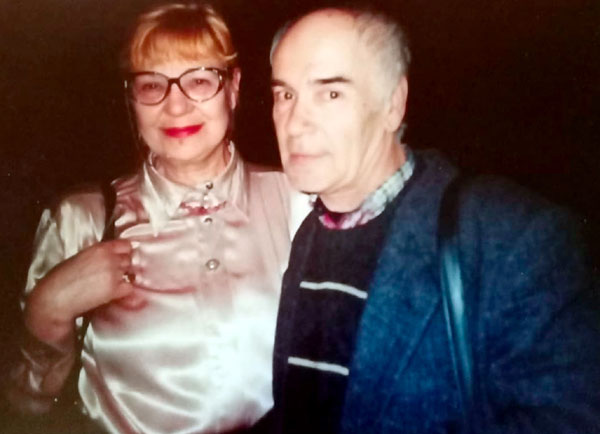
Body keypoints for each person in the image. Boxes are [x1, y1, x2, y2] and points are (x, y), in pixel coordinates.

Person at [269, 6, 600, 433]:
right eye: (285, 95)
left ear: (393, 105)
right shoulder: (310, 234)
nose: (295, 123)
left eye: (330, 94)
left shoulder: (511, 238)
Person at [6, 2, 307, 433]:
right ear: (132, 99)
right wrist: (47, 312)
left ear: (233, 87)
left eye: (199, 80)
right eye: (151, 85)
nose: (175, 106)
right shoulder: (82, 219)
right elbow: (23, 408)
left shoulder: (296, 201)